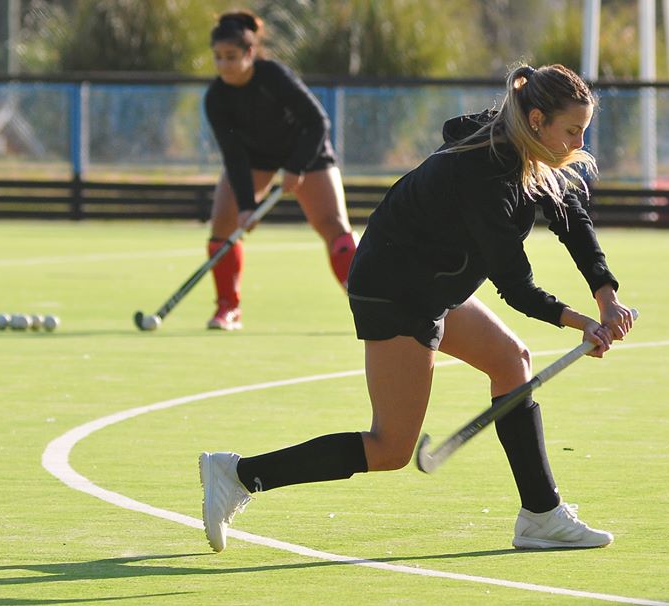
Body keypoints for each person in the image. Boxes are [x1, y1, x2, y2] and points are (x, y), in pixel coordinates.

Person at [199, 63, 635, 552]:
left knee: (511, 362)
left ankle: (541, 514)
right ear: (537, 120)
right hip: (396, 290)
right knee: (390, 447)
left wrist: (606, 295)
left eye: (584, 131)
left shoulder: (527, 148)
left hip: (430, 283)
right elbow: (515, 284)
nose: (578, 143)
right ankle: (237, 475)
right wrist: (580, 323)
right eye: (572, 131)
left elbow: (570, 216)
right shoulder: (487, 170)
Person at [203, 10, 358, 330]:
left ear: (249, 53)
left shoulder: (274, 76)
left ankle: (368, 300)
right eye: (217, 58)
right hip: (256, 159)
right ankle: (228, 308)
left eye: (231, 57)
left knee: (334, 227)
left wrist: (296, 167)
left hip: (306, 152)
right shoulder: (216, 97)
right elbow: (233, 155)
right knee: (223, 222)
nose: (223, 65)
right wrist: (246, 206)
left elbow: (318, 122)